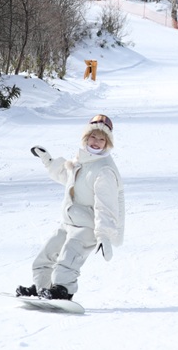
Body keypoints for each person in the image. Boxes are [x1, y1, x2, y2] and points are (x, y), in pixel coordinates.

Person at [16, 114, 125, 300]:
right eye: (93, 136)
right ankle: (42, 287)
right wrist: (48, 161)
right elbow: (69, 179)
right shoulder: (83, 159)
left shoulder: (104, 170)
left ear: (107, 143)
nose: (96, 142)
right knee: (45, 257)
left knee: (68, 260)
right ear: (86, 137)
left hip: (89, 226)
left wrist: (104, 235)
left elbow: (106, 206)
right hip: (70, 222)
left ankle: (63, 290)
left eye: (102, 139)